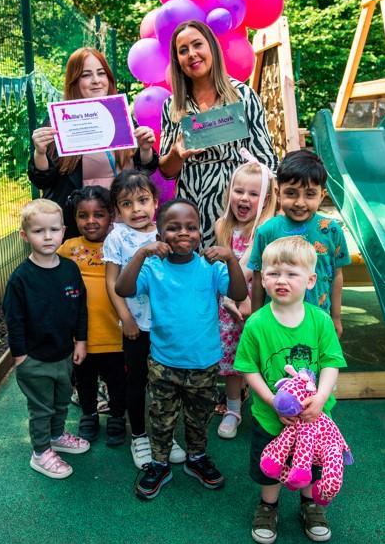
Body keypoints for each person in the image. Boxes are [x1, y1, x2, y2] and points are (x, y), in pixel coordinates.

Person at [115, 198, 247, 500]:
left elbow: (239, 293)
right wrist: (141, 253)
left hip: (204, 364)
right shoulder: (152, 267)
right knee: (161, 418)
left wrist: (231, 259)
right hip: (164, 363)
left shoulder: (210, 267)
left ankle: (197, 458)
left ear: (201, 233)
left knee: (199, 418)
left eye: (191, 227)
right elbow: (123, 289)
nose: (183, 233)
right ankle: (159, 464)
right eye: (173, 228)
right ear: (160, 237)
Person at [234, 236, 347, 544]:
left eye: (291, 273)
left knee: (310, 463)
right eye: (273, 273)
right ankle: (268, 506)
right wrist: (271, 401)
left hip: (313, 418)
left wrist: (321, 398)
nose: (281, 280)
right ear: (263, 278)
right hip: (270, 417)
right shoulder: (257, 323)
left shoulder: (320, 321)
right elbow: (247, 367)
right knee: (269, 465)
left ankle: (310, 505)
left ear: (310, 280)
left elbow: (331, 363)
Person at [158, 20, 278, 248]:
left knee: (230, 273)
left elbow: (266, 159)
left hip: (234, 204)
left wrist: (266, 208)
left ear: (211, 47)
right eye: (183, 51)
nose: (192, 54)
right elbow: (166, 170)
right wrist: (176, 153)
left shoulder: (242, 96)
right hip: (190, 205)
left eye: (197, 45)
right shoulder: (172, 106)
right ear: (177, 61)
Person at [28, 47, 159, 238]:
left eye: (101, 73)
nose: (96, 80)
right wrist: (40, 153)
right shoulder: (59, 121)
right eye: (86, 75)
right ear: (74, 82)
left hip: (125, 225)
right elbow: (43, 181)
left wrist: (145, 149)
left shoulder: (121, 116)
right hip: (81, 228)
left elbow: (144, 170)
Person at [103, 170, 186, 469]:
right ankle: (139, 436)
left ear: (155, 202)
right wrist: (126, 318)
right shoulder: (116, 237)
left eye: (142, 200)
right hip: (137, 327)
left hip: (168, 327)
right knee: (137, 382)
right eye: (127, 204)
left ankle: (164, 434)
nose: (136, 209)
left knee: (167, 384)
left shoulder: (167, 232)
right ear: (117, 209)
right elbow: (112, 283)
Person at [3, 199, 90, 480]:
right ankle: (40, 453)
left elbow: (80, 308)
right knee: (41, 408)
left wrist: (81, 341)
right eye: (39, 231)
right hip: (34, 359)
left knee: (62, 401)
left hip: (64, 354)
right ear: (24, 236)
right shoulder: (20, 279)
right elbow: (13, 320)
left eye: (54, 229)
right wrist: (20, 356)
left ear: (64, 230)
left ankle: (55, 436)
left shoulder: (70, 269)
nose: (48, 236)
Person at [249, 150, 351, 336]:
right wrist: (255, 319)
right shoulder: (266, 231)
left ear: (322, 195)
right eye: (291, 193)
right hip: (274, 323)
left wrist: (336, 317)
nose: (300, 202)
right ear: (278, 193)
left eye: (310, 194)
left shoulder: (332, 230)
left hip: (319, 323)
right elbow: (258, 277)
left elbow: (337, 275)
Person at [57, 186, 127, 446]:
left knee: (117, 380)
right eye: (83, 215)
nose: (90, 221)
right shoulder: (68, 249)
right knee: (85, 380)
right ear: (74, 219)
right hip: (81, 338)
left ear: (111, 215)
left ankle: (118, 417)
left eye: (98, 214)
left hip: (115, 334)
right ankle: (88, 415)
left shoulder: (120, 243)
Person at [215, 151, 277, 439]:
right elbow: (222, 267)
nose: (243, 198)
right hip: (229, 305)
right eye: (238, 190)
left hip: (258, 302)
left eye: (253, 193)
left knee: (262, 355)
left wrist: (239, 298)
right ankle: (232, 408)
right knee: (232, 358)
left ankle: (272, 405)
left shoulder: (264, 229)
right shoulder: (223, 226)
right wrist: (229, 299)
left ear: (265, 199)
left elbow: (247, 269)